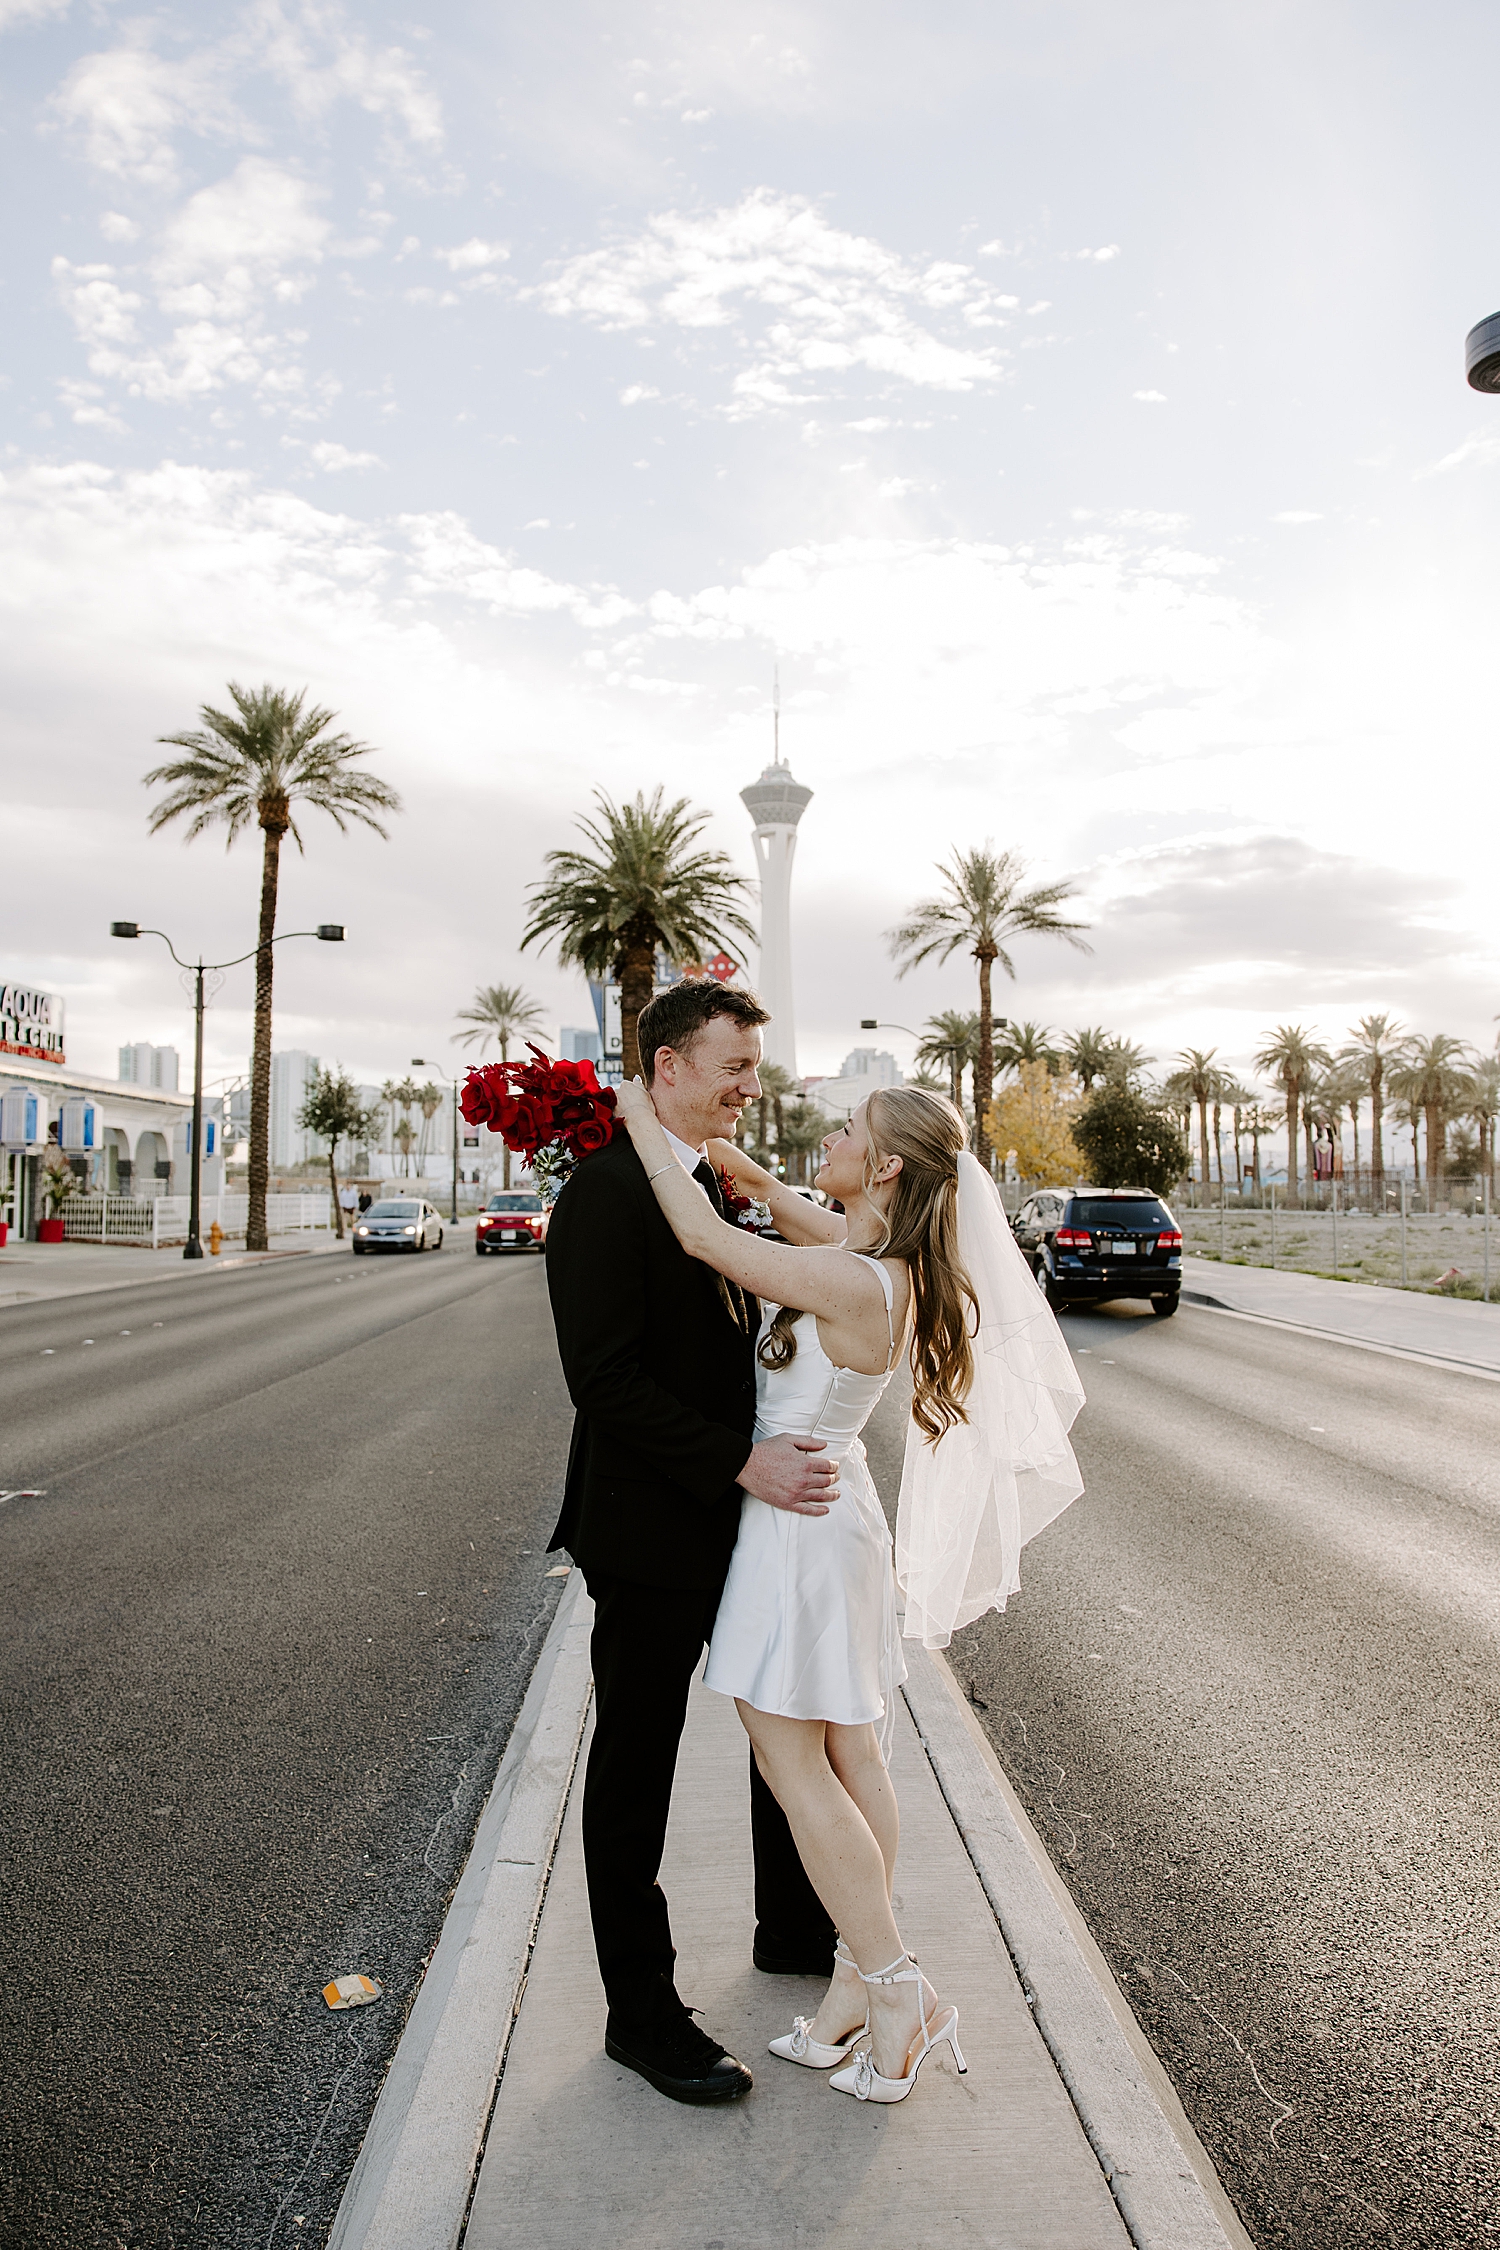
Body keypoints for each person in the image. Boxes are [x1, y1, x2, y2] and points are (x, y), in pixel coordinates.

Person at [612, 1076, 1084, 2104]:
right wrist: (734, 1161)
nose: (823, 1137)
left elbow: (708, 1240)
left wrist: (645, 1120)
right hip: (835, 1518)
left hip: (800, 1530)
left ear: (884, 1167)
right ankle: (854, 1990)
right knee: (852, 1750)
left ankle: (894, 1985)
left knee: (793, 1760)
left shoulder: (859, 1282)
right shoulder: (875, 1255)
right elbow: (781, 1204)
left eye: (845, 1130)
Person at [544, 979, 841, 2108]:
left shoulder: (713, 1187)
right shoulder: (609, 1195)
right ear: (666, 1067)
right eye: (734, 1065)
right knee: (638, 1767)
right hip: (651, 1525)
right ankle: (641, 2012)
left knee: (786, 1708)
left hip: (741, 1520)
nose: (750, 1086)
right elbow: (602, 1381)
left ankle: (795, 1928)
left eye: (755, 1067)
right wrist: (737, 1459)